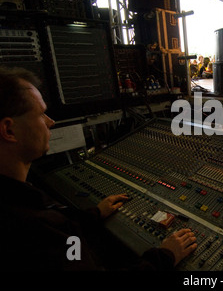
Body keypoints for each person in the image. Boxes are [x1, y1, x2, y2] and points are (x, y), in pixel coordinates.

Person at [0, 66, 197, 271]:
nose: (51, 122)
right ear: (9, 130)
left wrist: (90, 217)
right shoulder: (29, 228)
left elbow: (69, 243)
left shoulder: (18, 198)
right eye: (41, 114)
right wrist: (163, 258)